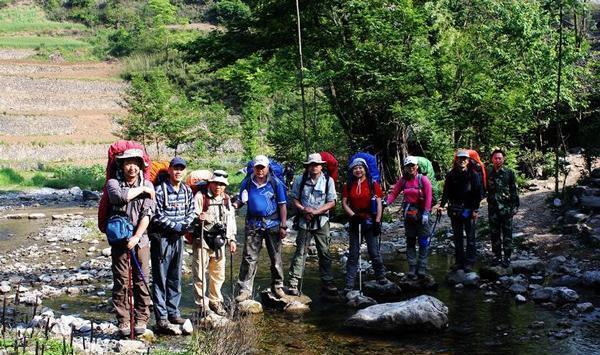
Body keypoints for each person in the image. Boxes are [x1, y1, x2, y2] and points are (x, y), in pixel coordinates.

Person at [105, 148, 155, 337]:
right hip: (119, 241)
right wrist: (141, 190)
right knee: (121, 282)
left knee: (141, 280)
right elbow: (117, 197)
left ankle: (142, 318)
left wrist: (136, 237)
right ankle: (124, 320)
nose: (132, 167)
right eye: (128, 163)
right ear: (122, 165)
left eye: (135, 163)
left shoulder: (149, 184)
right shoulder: (113, 183)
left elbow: (147, 214)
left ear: (141, 166)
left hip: (140, 240)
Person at [234, 155, 288, 302]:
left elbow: (282, 204)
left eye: (262, 167)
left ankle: (278, 286)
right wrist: (234, 205)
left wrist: (283, 225)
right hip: (253, 224)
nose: (260, 170)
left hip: (273, 224)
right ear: (254, 168)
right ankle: (245, 289)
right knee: (249, 257)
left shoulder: (275, 183)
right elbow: (241, 200)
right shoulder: (247, 183)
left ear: (267, 167)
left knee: (275, 257)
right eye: (257, 167)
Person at [150, 157, 195, 332]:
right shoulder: (160, 191)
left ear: (184, 171)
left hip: (178, 238)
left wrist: (185, 225)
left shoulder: (187, 190)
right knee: (160, 278)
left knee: (175, 276)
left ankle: (173, 313)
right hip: (162, 239)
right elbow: (157, 214)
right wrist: (174, 226)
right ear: (169, 170)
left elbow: (191, 210)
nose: (178, 172)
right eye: (175, 168)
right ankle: (161, 317)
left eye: (181, 169)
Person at [287, 153, 337, 296]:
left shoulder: (329, 181)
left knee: (324, 252)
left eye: (317, 164)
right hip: (304, 221)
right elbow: (295, 199)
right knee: (300, 252)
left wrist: (316, 212)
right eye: (311, 165)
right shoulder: (300, 180)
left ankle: (327, 281)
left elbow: (332, 202)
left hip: (322, 221)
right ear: (307, 166)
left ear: (321, 166)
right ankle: (294, 283)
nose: (314, 167)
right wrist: (304, 210)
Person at [192, 170, 237, 316]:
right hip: (203, 240)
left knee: (218, 274)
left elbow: (230, 220)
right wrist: (199, 217)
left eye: (222, 184)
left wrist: (232, 239)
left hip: (219, 241)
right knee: (199, 274)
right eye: (216, 183)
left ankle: (215, 301)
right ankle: (202, 304)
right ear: (210, 183)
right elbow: (192, 215)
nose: (219, 187)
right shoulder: (201, 197)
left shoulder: (226, 199)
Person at [342, 157, 387, 294]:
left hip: (370, 220)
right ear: (352, 170)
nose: (358, 170)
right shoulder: (348, 185)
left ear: (365, 169)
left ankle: (381, 277)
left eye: (360, 167)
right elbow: (344, 203)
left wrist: (378, 221)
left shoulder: (373, 183)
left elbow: (379, 203)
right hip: (355, 221)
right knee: (353, 254)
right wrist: (353, 216)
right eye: (355, 168)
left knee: (374, 251)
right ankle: (349, 284)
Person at [386, 156, 433, 279]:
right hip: (409, 215)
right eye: (408, 166)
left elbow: (429, 197)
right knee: (410, 241)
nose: (411, 168)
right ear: (405, 168)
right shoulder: (403, 181)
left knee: (423, 242)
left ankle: (422, 267)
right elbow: (394, 193)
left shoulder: (423, 180)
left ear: (417, 166)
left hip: (422, 213)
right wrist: (387, 202)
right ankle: (412, 267)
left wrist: (426, 213)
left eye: (413, 165)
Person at [437, 150, 483, 272]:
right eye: (460, 158)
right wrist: (442, 206)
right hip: (455, 209)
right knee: (457, 237)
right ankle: (459, 261)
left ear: (468, 161)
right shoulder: (451, 174)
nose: (462, 161)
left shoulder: (473, 175)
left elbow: (478, 193)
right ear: (456, 160)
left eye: (465, 159)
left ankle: (469, 262)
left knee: (470, 236)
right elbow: (446, 191)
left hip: (468, 209)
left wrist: (475, 209)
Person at [486, 149, 519, 268]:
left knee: (507, 233)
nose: (497, 160)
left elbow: (514, 190)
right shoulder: (488, 172)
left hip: (506, 208)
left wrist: (515, 207)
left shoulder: (509, 172)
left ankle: (507, 257)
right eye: (495, 158)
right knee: (494, 233)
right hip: (493, 208)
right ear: (492, 159)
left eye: (500, 158)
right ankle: (497, 256)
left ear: (503, 159)